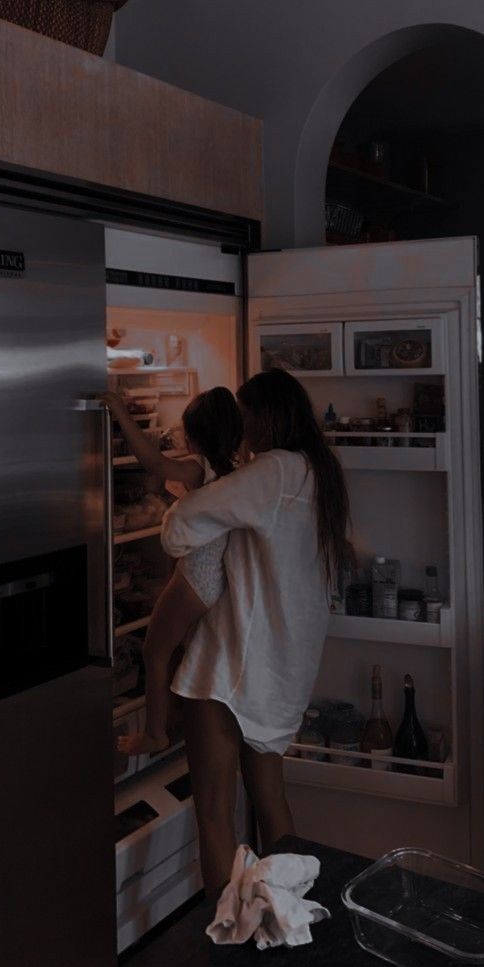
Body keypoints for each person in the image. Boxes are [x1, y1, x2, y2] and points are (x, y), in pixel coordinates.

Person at [161, 368, 351, 893]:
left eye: (246, 420)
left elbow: (183, 526)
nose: (242, 433)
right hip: (282, 671)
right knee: (272, 803)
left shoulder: (272, 471)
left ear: (266, 418)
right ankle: (285, 917)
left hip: (229, 670)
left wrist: (183, 503)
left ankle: (228, 942)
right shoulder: (319, 470)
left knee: (216, 816)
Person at [101, 386, 243, 755]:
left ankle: (154, 734)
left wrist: (120, 411)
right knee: (180, 648)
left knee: (154, 651)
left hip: (196, 578)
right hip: (216, 579)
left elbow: (156, 465)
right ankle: (177, 717)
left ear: (194, 436)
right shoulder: (237, 469)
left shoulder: (200, 468)